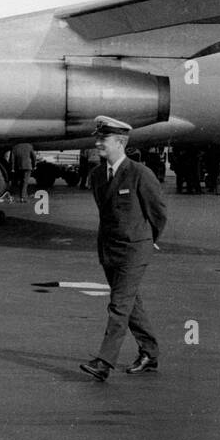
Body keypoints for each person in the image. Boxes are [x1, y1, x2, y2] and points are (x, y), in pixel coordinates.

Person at [79, 116, 168, 382]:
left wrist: (148, 240)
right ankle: (150, 353)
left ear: (120, 142)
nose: (97, 144)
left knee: (119, 305)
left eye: (103, 139)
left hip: (134, 250)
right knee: (131, 304)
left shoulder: (141, 174)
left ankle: (104, 362)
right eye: (98, 138)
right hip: (109, 250)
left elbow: (158, 213)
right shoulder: (96, 176)